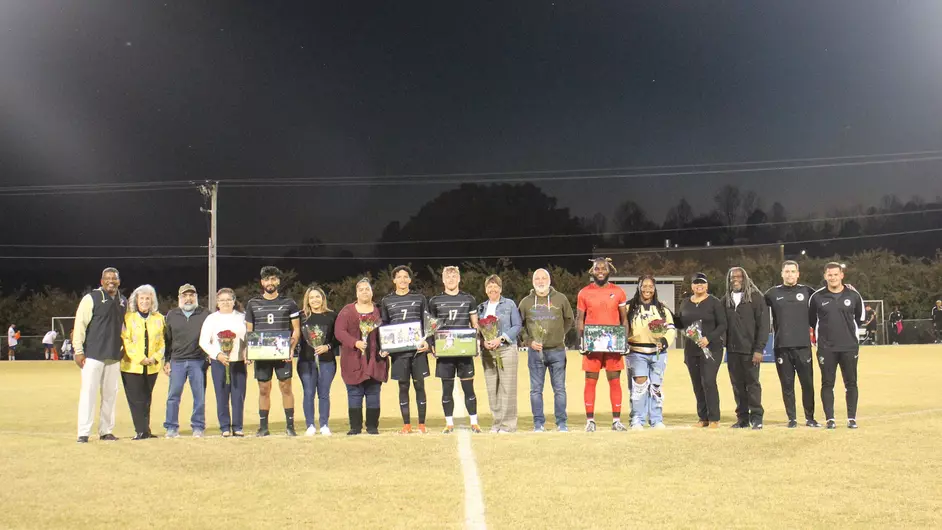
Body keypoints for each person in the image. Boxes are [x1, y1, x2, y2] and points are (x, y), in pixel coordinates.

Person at [244, 266, 301, 437]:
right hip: (262, 354)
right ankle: (263, 427)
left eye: (273, 279)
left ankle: (290, 426)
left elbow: (296, 330)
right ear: (262, 282)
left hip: (281, 353)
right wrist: (249, 351)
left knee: (286, 387)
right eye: (267, 279)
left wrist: (291, 348)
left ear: (278, 281)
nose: (270, 282)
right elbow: (249, 331)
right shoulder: (253, 304)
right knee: (263, 388)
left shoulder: (289, 303)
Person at [809, 262, 866, 429]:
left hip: (849, 346)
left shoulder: (854, 296)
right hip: (826, 348)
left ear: (842, 275)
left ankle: (851, 418)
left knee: (851, 383)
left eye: (836, 274)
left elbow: (859, 319)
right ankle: (830, 419)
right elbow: (812, 320)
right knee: (827, 383)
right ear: (825, 276)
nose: (832, 277)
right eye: (829, 275)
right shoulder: (817, 297)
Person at [73, 267, 127, 443]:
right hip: (93, 356)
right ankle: (83, 432)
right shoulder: (91, 298)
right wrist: (78, 351)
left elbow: (125, 328)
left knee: (110, 395)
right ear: (101, 281)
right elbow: (80, 324)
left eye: (114, 278)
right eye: (107, 278)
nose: (111, 281)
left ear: (119, 281)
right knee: (88, 393)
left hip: (113, 356)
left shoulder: (123, 301)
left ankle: (106, 431)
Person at [765, 261, 821, 428]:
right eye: (787, 271)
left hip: (803, 346)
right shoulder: (772, 293)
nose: (790, 274)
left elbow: (824, 303)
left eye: (793, 271)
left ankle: (810, 418)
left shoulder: (808, 292)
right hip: (782, 347)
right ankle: (792, 418)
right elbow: (756, 307)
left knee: (807, 384)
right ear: (782, 274)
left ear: (798, 274)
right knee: (787, 385)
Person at [575, 257, 628, 432]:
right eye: (597, 268)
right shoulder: (584, 293)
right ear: (592, 270)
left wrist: (625, 341)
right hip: (592, 344)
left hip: (613, 344)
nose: (600, 271)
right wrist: (581, 341)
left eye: (603, 268)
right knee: (590, 381)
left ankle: (616, 421)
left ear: (609, 270)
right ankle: (590, 421)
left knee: (614, 381)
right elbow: (580, 319)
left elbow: (624, 319)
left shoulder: (619, 292)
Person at [518, 268, 574, 432]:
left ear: (549, 280)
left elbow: (569, 319)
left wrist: (559, 334)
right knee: (536, 390)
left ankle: (562, 423)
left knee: (559, 389)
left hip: (557, 351)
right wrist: (529, 341)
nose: (541, 281)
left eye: (544, 278)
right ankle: (538, 424)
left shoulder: (561, 299)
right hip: (535, 353)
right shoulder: (526, 302)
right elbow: (518, 325)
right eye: (537, 279)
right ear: (533, 282)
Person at [378, 266, 431, 434]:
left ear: (410, 280)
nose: (402, 280)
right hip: (399, 353)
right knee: (403, 387)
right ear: (394, 280)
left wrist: (428, 342)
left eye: (405, 277)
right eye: (399, 277)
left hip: (417, 352)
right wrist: (384, 347)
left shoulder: (420, 298)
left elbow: (428, 323)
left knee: (420, 386)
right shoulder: (387, 301)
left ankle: (421, 425)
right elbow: (384, 326)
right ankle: (406, 425)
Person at [429, 266, 481, 433]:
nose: (451, 279)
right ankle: (449, 423)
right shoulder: (435, 301)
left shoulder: (469, 299)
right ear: (443, 280)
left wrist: (476, 342)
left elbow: (475, 325)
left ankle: (474, 422)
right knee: (447, 389)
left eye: (454, 276)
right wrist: (432, 344)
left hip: (464, 351)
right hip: (445, 352)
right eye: (447, 276)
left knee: (468, 388)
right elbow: (430, 327)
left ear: (459, 279)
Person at [334, 278, 388, 435]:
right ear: (356, 293)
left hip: (375, 358)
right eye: (361, 289)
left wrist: (386, 348)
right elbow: (339, 332)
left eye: (367, 289)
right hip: (353, 359)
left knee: (373, 392)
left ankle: (372, 426)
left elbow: (387, 331)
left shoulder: (379, 310)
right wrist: (354, 343)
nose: (365, 291)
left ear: (372, 292)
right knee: (355, 393)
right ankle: (355, 427)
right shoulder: (347, 311)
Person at [675, 272, 726, 428]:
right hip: (692, 350)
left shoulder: (714, 302)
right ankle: (702, 418)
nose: (699, 285)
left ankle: (714, 418)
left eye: (702, 283)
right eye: (696, 283)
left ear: (707, 286)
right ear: (692, 286)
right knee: (697, 384)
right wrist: (667, 313)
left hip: (711, 349)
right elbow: (680, 323)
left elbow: (723, 325)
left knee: (708, 381)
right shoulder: (685, 303)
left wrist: (708, 338)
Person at [625, 275, 676, 430]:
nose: (647, 289)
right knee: (639, 386)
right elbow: (622, 327)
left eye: (651, 286)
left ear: (654, 289)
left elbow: (671, 329)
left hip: (658, 353)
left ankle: (656, 419)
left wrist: (665, 341)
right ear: (639, 287)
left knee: (655, 387)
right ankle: (637, 419)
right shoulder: (629, 307)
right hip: (636, 352)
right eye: (644, 286)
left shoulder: (662, 309)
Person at [722, 267, 770, 430]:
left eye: (739, 276)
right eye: (732, 277)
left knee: (752, 384)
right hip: (733, 351)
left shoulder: (756, 298)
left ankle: (756, 417)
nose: (735, 279)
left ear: (745, 278)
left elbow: (764, 326)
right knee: (737, 385)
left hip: (751, 351)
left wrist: (759, 349)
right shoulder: (725, 300)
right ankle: (742, 418)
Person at [199, 288, 248, 437]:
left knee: (238, 395)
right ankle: (225, 426)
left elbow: (250, 338)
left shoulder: (242, 317)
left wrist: (247, 352)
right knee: (222, 395)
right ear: (217, 303)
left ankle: (238, 426)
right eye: (222, 300)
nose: (226, 302)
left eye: (229, 299)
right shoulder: (211, 318)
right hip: (219, 362)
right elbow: (204, 341)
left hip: (238, 361)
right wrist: (218, 354)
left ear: (234, 301)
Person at [477, 274, 522, 433]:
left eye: (495, 285)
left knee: (507, 388)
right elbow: (478, 331)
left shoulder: (509, 304)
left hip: (506, 350)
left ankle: (508, 426)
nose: (492, 288)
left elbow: (517, 326)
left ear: (500, 288)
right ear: (485, 289)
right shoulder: (481, 307)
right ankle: (496, 423)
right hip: (488, 353)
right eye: (489, 286)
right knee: (492, 389)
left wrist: (501, 338)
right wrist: (483, 342)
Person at [163, 283, 210, 438]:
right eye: (185, 296)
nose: (188, 299)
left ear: (196, 297)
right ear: (179, 298)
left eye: (191, 295)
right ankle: (171, 427)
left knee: (199, 396)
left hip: (198, 361)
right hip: (177, 361)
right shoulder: (171, 315)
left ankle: (198, 426)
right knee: (173, 396)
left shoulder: (205, 314)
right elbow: (167, 340)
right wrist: (167, 360)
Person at [120, 285, 166, 440]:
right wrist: (141, 358)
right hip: (132, 366)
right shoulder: (128, 318)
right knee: (136, 400)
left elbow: (162, 342)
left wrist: (155, 358)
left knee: (147, 399)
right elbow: (127, 341)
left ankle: (146, 429)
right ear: (136, 300)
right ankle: (140, 430)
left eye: (148, 298)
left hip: (152, 367)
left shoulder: (159, 318)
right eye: (142, 298)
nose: (145, 301)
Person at [298, 285, 338, 436]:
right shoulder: (301, 316)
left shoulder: (331, 316)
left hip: (327, 361)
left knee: (324, 393)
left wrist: (327, 347)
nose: (315, 300)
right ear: (307, 300)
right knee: (308, 392)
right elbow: (295, 336)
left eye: (317, 297)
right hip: (305, 362)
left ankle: (324, 424)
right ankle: (310, 425)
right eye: (311, 297)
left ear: (323, 299)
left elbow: (337, 338)